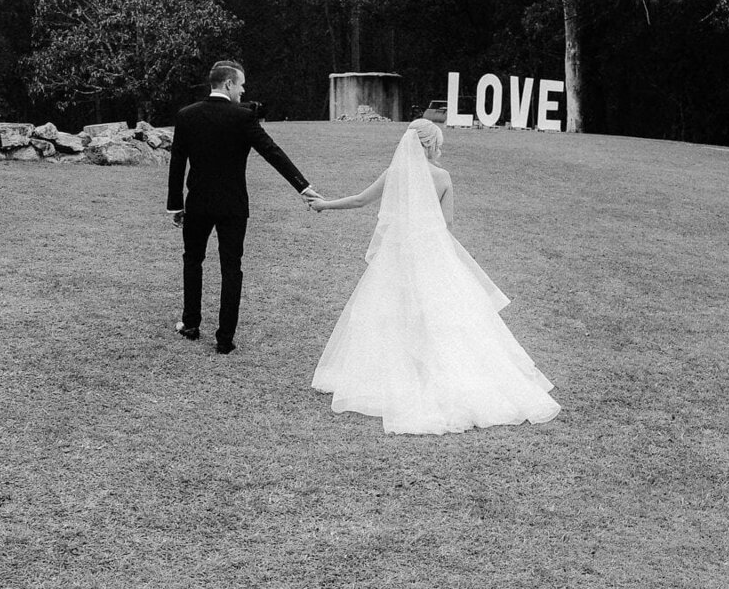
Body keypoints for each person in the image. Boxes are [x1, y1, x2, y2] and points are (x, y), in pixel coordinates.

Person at [308, 119, 559, 434]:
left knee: (390, 314)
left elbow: (360, 200)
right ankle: (436, 374)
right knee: (443, 316)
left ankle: (396, 374)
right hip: (430, 256)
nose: (440, 148)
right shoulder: (441, 178)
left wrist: (324, 205)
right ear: (429, 145)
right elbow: (447, 225)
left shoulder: (394, 175)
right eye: (438, 143)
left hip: (395, 258)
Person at [166, 60, 322, 354]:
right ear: (227, 84)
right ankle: (224, 339)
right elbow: (272, 152)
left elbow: (177, 163)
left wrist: (175, 205)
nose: (243, 90)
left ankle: (190, 324)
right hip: (233, 205)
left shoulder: (187, 115)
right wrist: (302, 186)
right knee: (231, 268)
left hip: (197, 203)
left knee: (192, 260)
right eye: (240, 84)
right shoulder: (243, 117)